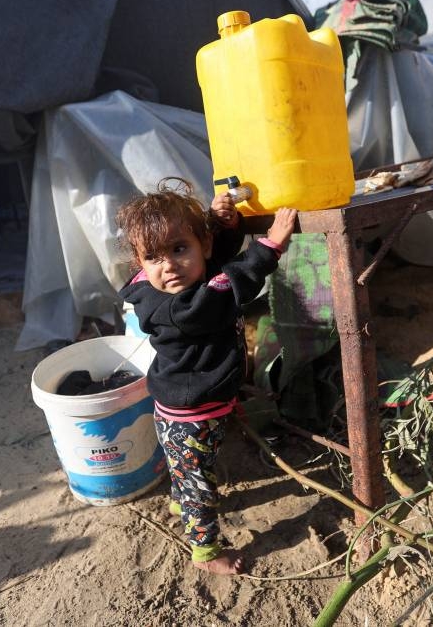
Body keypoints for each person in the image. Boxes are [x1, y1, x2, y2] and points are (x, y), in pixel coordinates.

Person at [116, 177, 296, 575]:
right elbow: (223, 286)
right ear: (139, 263)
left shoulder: (184, 275)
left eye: (179, 248)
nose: (169, 266)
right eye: (155, 257)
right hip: (190, 415)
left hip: (195, 406)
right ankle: (207, 552)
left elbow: (209, 264)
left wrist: (220, 225)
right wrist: (269, 248)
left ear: (202, 244)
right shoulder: (180, 308)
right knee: (200, 484)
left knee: (193, 466)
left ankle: (181, 494)